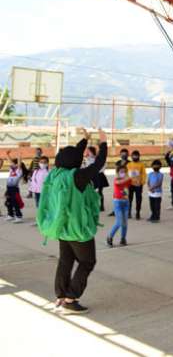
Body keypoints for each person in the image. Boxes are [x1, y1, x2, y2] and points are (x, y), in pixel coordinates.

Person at [36, 129, 107, 314]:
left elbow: (72, 156)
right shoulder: (77, 176)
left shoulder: (56, 174)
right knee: (87, 261)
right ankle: (71, 298)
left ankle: (60, 296)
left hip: (62, 227)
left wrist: (85, 139)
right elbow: (98, 163)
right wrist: (104, 142)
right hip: (77, 229)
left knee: (66, 261)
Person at [107, 165, 131, 247]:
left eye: (124, 171)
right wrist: (128, 177)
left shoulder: (128, 180)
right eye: (121, 172)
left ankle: (123, 239)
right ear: (117, 173)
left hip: (126, 202)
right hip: (118, 202)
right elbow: (119, 182)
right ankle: (110, 236)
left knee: (125, 223)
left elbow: (135, 183)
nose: (123, 173)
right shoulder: (116, 180)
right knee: (119, 222)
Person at [84, 146, 109, 212]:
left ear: (92, 151)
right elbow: (86, 167)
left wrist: (97, 170)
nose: (88, 152)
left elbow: (104, 165)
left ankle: (102, 206)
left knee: (100, 192)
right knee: (91, 191)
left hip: (99, 175)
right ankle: (92, 205)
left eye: (89, 151)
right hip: (91, 176)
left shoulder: (98, 159)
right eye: (87, 151)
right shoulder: (87, 159)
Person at [4, 150, 26, 223]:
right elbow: (10, 162)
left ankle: (19, 216)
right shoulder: (11, 170)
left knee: (15, 202)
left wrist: (19, 156)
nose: (12, 164)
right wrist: (7, 154)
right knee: (8, 202)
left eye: (15, 164)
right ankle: (10, 215)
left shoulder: (19, 171)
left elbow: (19, 164)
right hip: (8, 188)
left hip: (14, 189)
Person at [126, 150, 146, 220]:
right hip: (130, 184)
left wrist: (142, 182)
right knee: (129, 199)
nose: (135, 157)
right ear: (131, 156)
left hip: (138, 185)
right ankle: (129, 212)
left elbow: (144, 174)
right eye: (133, 156)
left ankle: (138, 212)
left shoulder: (141, 165)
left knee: (138, 199)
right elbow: (126, 174)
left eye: (136, 156)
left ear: (139, 156)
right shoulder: (128, 165)